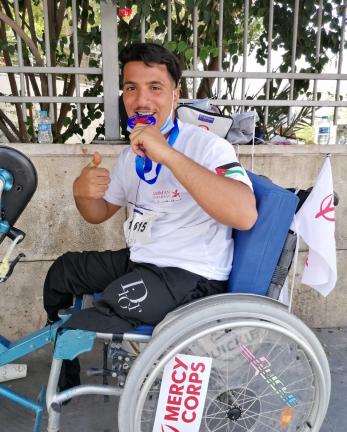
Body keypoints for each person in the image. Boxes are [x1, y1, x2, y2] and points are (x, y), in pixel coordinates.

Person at [43, 42, 257, 390]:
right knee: (63, 272)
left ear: (176, 95)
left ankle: (63, 385)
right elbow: (98, 213)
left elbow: (244, 214)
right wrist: (82, 193)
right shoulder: (131, 157)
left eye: (155, 88)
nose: (141, 100)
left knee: (91, 316)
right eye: (131, 88)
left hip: (191, 276)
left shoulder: (208, 146)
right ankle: (64, 381)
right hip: (143, 262)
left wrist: (169, 154)